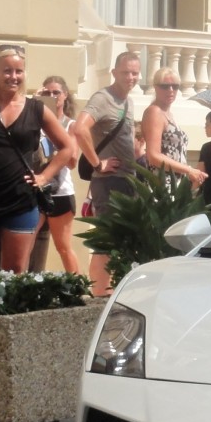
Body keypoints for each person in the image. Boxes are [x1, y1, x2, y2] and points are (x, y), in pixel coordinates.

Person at [0, 45, 75, 275]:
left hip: (20, 202)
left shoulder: (36, 109)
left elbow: (67, 147)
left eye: (18, 71)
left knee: (13, 273)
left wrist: (44, 176)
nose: (13, 77)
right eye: (7, 71)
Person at [73, 51, 141, 295]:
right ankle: (100, 294)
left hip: (126, 180)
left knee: (120, 239)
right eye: (125, 72)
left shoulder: (128, 102)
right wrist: (97, 163)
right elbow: (80, 129)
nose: (130, 77)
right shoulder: (103, 98)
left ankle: (110, 291)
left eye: (135, 72)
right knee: (106, 240)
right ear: (114, 73)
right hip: (109, 181)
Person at [28, 75, 80, 274]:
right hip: (37, 190)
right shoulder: (35, 120)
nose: (52, 96)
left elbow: (73, 160)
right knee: (26, 241)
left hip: (61, 192)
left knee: (63, 247)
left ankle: (77, 287)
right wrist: (34, 104)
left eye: (56, 92)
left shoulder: (70, 124)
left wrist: (53, 135)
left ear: (65, 95)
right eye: (47, 93)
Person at [140, 67, 206, 191]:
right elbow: (153, 156)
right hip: (162, 185)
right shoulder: (154, 112)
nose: (171, 90)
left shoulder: (168, 114)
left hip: (175, 183)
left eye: (175, 86)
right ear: (155, 87)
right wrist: (188, 170)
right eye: (165, 86)